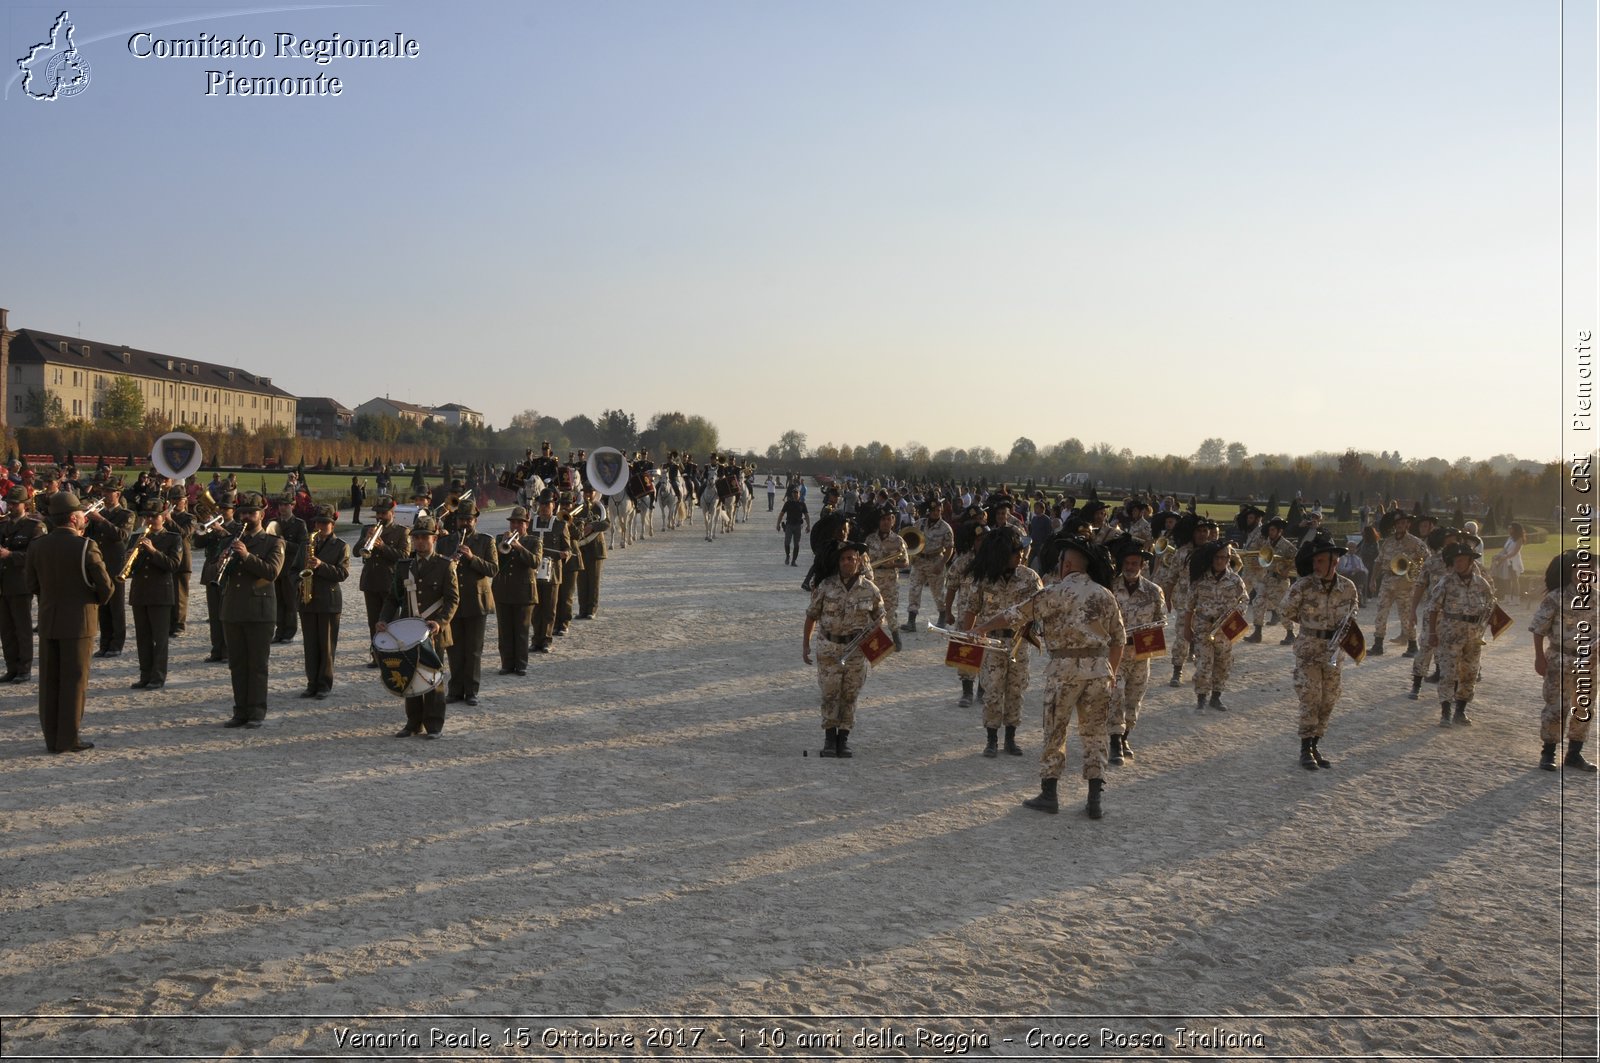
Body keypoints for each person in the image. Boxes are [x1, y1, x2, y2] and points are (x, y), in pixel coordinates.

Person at [974, 534, 1123, 819]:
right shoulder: (1105, 595)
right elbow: (1119, 639)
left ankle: (1049, 793)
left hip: (1064, 669)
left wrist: (981, 628)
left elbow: (1015, 614)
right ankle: (1095, 798)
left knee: (1055, 730)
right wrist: (1111, 673)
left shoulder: (1056, 592)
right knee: (1095, 733)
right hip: (1099, 669)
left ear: (1066, 565)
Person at [26, 491, 115, 752]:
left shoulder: (37, 545)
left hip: (49, 619)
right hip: (79, 622)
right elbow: (106, 588)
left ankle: (51, 738)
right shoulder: (85, 546)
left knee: (49, 681)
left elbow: (31, 584)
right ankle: (68, 739)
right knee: (74, 682)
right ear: (74, 518)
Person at [1279, 533, 1360, 769]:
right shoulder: (1303, 586)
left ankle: (1316, 744)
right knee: (1310, 696)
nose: (1316, 565)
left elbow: (1351, 616)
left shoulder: (1348, 587)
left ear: (1335, 561)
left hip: (1334, 652)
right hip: (1308, 650)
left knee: (1328, 699)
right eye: (1315, 561)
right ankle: (1305, 748)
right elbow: (1285, 611)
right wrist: (1308, 623)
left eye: (1321, 560)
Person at [962, 525, 1044, 758]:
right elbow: (971, 609)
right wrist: (968, 640)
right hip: (992, 644)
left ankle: (1010, 738)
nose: (1021, 556)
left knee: (1016, 690)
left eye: (1021, 552)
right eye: (1016, 552)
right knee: (993, 691)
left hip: (1020, 642)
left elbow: (1041, 608)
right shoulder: (984, 579)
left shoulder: (1029, 578)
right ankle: (991, 739)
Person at [802, 539, 885, 758]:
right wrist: (805, 645)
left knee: (850, 694)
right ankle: (829, 739)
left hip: (856, 651)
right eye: (844, 559)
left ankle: (843, 739)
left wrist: (873, 641)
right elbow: (811, 616)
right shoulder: (826, 586)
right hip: (829, 647)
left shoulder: (870, 589)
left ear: (859, 561)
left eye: (852, 558)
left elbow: (880, 618)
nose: (848, 562)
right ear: (838, 562)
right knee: (830, 694)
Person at [379, 515, 459, 738]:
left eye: (425, 537)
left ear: (434, 539)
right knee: (409, 675)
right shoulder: (404, 566)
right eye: (417, 538)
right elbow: (393, 598)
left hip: (434, 631)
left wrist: (440, 623)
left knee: (433, 676)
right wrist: (383, 619)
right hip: (407, 631)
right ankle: (413, 722)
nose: (420, 541)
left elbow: (453, 600)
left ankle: (434, 725)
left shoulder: (445, 565)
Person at [218, 493, 285, 728]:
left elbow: (271, 572)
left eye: (251, 512)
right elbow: (210, 575)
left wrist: (246, 555)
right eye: (243, 512)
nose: (246, 516)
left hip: (259, 612)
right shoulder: (231, 539)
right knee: (237, 664)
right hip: (233, 609)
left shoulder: (273, 542)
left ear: (262, 515)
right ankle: (240, 711)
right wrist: (221, 562)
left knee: (257, 665)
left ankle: (256, 711)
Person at [1420, 541, 1498, 727]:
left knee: (1469, 673)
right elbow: (1433, 608)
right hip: (1450, 634)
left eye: (1462, 560)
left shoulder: (1481, 583)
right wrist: (1432, 633)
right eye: (1456, 560)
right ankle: (1445, 712)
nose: (1458, 563)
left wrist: (1486, 624)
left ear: (1471, 561)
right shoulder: (1446, 582)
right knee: (1448, 673)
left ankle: (1460, 711)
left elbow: (1491, 603)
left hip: (1474, 636)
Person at [1531, 551, 1595, 771]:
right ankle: (1548, 753)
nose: (1584, 573)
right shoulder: (1556, 598)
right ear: (1572, 572)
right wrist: (1539, 657)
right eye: (1580, 569)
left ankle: (1574, 755)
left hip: (1589, 665)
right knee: (1556, 707)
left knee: (1583, 708)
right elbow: (1538, 629)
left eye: (1589, 569)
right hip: (1560, 660)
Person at [1107, 534, 1165, 765]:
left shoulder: (1153, 591)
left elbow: (1160, 621)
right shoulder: (1110, 587)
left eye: (1135, 564)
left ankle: (1125, 738)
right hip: (1116, 653)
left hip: (1141, 654)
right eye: (1127, 563)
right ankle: (1114, 741)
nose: (1131, 568)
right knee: (1115, 696)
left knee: (1134, 698)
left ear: (1142, 565)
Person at [1182, 539, 1249, 712]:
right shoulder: (1200, 579)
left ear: (1228, 559)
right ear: (1211, 559)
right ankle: (1201, 698)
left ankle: (1216, 697)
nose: (1220, 561)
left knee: (1223, 663)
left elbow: (1244, 600)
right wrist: (1187, 628)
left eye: (1224, 557)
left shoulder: (1235, 580)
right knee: (1204, 663)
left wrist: (1237, 613)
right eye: (1217, 557)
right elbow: (1189, 606)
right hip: (1204, 626)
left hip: (1225, 629)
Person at [125, 498, 184, 690]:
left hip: (160, 593)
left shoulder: (173, 538)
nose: (150, 520)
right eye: (147, 516)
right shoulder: (137, 536)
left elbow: (173, 565)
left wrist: (152, 550)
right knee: (143, 638)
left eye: (154, 516)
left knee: (160, 638)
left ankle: (158, 676)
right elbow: (129, 568)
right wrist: (128, 558)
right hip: (140, 591)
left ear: (163, 518)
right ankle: (145, 675)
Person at [442, 503, 495, 706]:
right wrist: (449, 561)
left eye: (468, 519)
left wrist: (472, 558)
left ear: (475, 520)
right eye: (461, 519)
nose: (464, 523)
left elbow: (493, 569)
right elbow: (438, 567)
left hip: (476, 602)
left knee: (473, 650)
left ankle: (471, 691)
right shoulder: (445, 542)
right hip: (453, 603)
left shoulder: (485, 541)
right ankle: (455, 690)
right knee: (454, 649)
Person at [297, 505, 349, 699]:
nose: (321, 526)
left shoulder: (341, 546)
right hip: (307, 600)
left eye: (325, 523)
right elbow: (294, 569)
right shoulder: (306, 544)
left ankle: (324, 684)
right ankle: (311, 683)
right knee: (310, 645)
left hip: (329, 600)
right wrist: (299, 583)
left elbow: (342, 573)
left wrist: (321, 565)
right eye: (318, 522)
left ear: (332, 525)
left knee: (326, 646)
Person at [0, 485, 46, 680]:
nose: (11, 506)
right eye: (9, 503)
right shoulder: (3, 525)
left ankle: (24, 668)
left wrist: (11, 555)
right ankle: (11, 668)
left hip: (20, 584)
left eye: (15, 503)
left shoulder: (34, 527)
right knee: (6, 630)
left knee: (22, 627)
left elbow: (37, 556)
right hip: (2, 584)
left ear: (25, 505)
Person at [357, 497, 410, 667]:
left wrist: (383, 547)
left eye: (383, 513)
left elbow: (404, 556)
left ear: (392, 513)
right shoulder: (368, 529)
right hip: (371, 580)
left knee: (391, 621)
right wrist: (367, 537)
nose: (380, 516)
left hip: (389, 581)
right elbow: (357, 552)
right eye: (378, 513)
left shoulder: (401, 531)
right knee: (374, 621)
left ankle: (392, 654)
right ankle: (377, 656)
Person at [491, 506, 542, 675]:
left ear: (526, 525)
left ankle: (521, 665)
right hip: (503, 591)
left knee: (521, 631)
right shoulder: (500, 538)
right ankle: (506, 664)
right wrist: (503, 544)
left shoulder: (534, 541)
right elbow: (494, 561)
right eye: (513, 523)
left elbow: (535, 562)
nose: (515, 526)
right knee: (505, 631)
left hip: (524, 593)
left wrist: (519, 547)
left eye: (520, 523)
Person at [1371, 510, 1427, 656]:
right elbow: (1378, 561)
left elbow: (1428, 559)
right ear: (1394, 525)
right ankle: (1378, 645)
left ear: (1407, 524)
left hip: (1406, 584)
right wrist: (1372, 579)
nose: (1401, 525)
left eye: (1403, 522)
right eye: (1398, 523)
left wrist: (1417, 572)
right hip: (1387, 581)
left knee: (1406, 615)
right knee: (1381, 612)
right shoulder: (1388, 542)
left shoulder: (1416, 542)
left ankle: (1412, 646)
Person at [529, 488, 571, 653]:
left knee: (549, 608)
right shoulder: (532, 523)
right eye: (542, 504)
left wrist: (565, 554)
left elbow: (567, 547)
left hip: (552, 572)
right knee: (535, 608)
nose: (545, 507)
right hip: (533, 571)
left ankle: (546, 640)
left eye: (548, 504)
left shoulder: (561, 525)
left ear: (554, 505)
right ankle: (535, 640)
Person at [903, 499, 954, 631]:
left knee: (938, 592)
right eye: (934, 510)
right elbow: (910, 539)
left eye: (939, 510)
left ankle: (942, 618)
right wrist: (911, 556)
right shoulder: (920, 523)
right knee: (914, 589)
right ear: (929, 511)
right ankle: (911, 621)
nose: (937, 512)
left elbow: (949, 549)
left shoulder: (945, 528)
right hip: (919, 560)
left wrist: (942, 564)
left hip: (935, 561)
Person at [864, 508, 910, 650]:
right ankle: (873, 642)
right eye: (883, 519)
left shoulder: (898, 540)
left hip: (890, 581)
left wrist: (893, 564)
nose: (885, 522)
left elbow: (906, 562)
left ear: (893, 521)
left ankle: (896, 639)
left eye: (888, 519)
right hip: (873, 580)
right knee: (870, 611)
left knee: (890, 612)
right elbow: (864, 559)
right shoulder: (870, 539)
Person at [572, 484, 610, 619]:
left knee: (593, 580)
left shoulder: (600, 507)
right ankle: (582, 609)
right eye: (586, 492)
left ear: (595, 492)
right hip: (581, 548)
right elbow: (572, 522)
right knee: (581, 581)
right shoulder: (579, 508)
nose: (588, 494)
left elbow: (607, 523)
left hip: (595, 548)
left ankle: (591, 610)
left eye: (590, 492)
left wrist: (592, 526)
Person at [1490, 522, 1527, 603]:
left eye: (1511, 528)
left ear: (1515, 529)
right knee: (1506, 580)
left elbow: (1515, 552)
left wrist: (1504, 557)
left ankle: (1516, 599)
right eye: (1509, 528)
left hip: (1513, 562)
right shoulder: (1510, 538)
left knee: (1514, 580)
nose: (1509, 530)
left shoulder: (1519, 539)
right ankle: (1507, 598)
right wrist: (1498, 555)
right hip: (1506, 561)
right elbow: (1505, 549)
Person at [776, 485, 810, 566]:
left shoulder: (802, 504)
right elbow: (781, 514)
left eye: (796, 493)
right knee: (787, 542)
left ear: (799, 494)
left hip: (798, 526)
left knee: (796, 544)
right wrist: (778, 524)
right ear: (792, 494)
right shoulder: (788, 503)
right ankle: (788, 556)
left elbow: (806, 515)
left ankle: (794, 560)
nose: (795, 494)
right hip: (789, 525)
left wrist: (808, 525)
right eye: (794, 493)